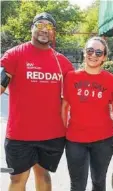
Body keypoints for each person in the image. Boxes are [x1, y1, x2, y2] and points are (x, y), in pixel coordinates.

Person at [0, 12, 73, 191]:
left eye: (49, 26)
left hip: (52, 134)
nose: (44, 29)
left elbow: (75, 97)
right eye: (39, 25)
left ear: (53, 32)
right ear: (31, 28)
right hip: (20, 134)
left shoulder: (62, 62)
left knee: (44, 176)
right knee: (18, 178)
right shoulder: (14, 55)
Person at [61, 36, 113, 191]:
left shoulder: (112, 81)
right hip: (75, 140)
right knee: (77, 185)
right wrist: (62, 131)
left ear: (104, 57)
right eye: (90, 50)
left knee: (99, 182)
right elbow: (65, 106)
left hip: (103, 140)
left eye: (98, 52)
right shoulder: (71, 77)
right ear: (84, 52)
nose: (93, 55)